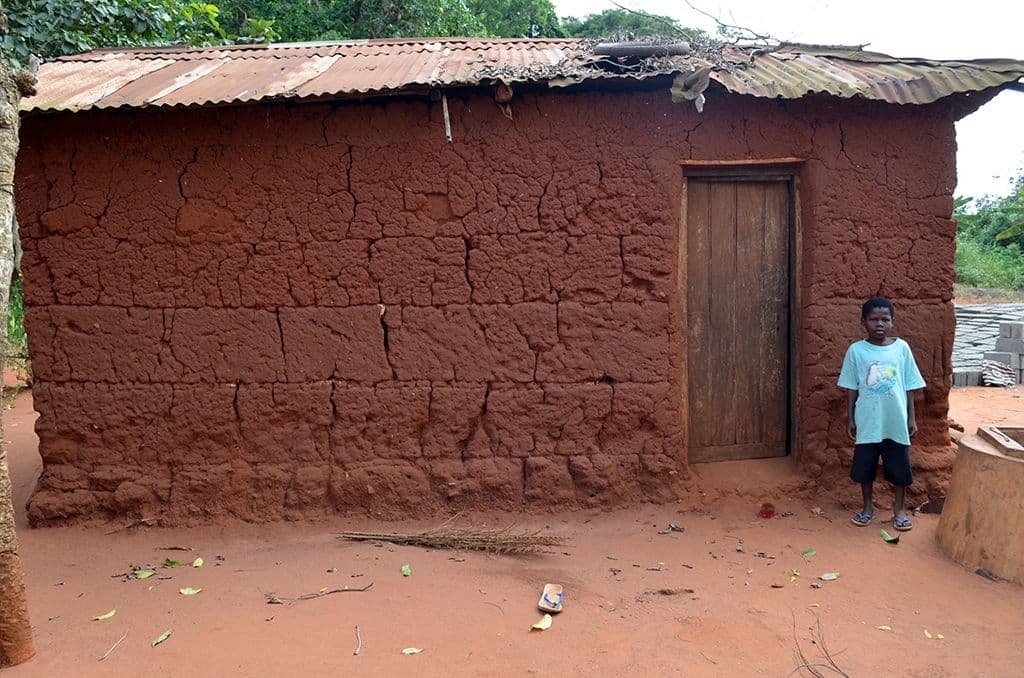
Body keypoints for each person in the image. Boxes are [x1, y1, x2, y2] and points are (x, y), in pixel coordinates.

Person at [838, 297, 926, 531]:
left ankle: (899, 510)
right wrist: (850, 417)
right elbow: (851, 387)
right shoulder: (856, 351)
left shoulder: (902, 348)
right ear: (863, 322)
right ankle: (868, 508)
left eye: (885, 319)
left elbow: (909, 386)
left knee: (899, 466)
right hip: (868, 421)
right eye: (874, 319)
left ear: (892, 322)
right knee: (865, 467)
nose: (880, 324)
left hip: (895, 421)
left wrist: (911, 417)